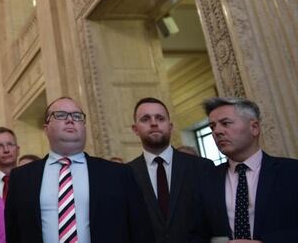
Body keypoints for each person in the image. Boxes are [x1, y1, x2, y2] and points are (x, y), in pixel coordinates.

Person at [5, 97, 153, 243]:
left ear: (84, 127)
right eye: (61, 115)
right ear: (46, 128)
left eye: (77, 116)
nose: (70, 120)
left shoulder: (118, 174)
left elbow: (140, 231)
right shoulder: (21, 178)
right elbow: (13, 233)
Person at [191, 97, 298, 242]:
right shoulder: (206, 180)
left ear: (254, 127)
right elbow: (197, 234)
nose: (217, 131)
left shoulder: (291, 172)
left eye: (225, 123)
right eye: (212, 127)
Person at [128, 97, 213, 243]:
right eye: (145, 119)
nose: (154, 123)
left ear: (171, 126)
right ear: (135, 129)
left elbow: (213, 220)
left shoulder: (201, 167)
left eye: (160, 118)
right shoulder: (126, 174)